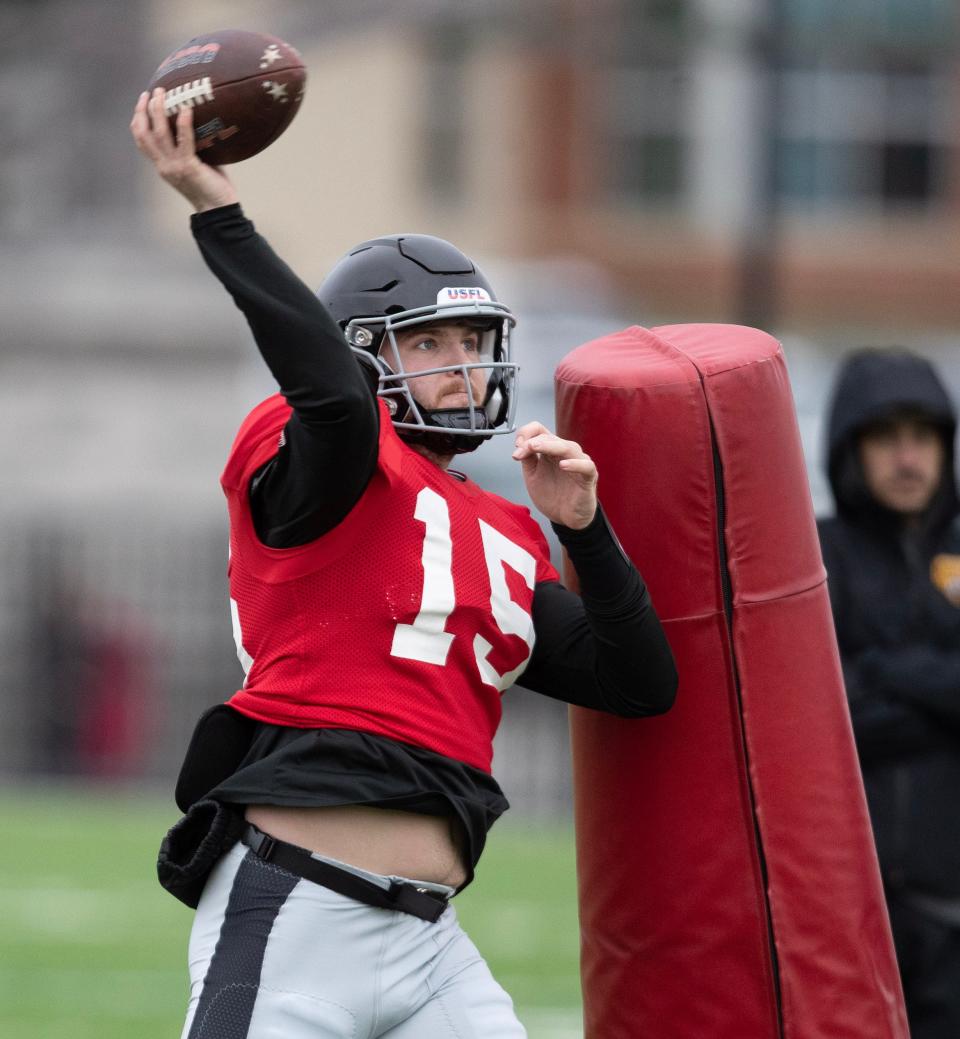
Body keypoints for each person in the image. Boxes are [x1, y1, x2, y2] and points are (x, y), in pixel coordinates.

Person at [131, 90, 677, 1038]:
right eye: (428, 341)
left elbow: (641, 682)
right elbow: (337, 406)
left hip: (432, 947)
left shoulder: (505, 527)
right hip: (297, 912)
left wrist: (586, 531)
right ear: (360, 355)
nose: (462, 367)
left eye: (471, 342)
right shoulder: (330, 459)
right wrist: (219, 214)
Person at [818, 347, 960, 1038]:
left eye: (923, 435)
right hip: (850, 916)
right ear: (852, 447)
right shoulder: (812, 556)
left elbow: (858, 687)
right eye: (886, 437)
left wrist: (881, 669)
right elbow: (821, 713)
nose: (908, 457)